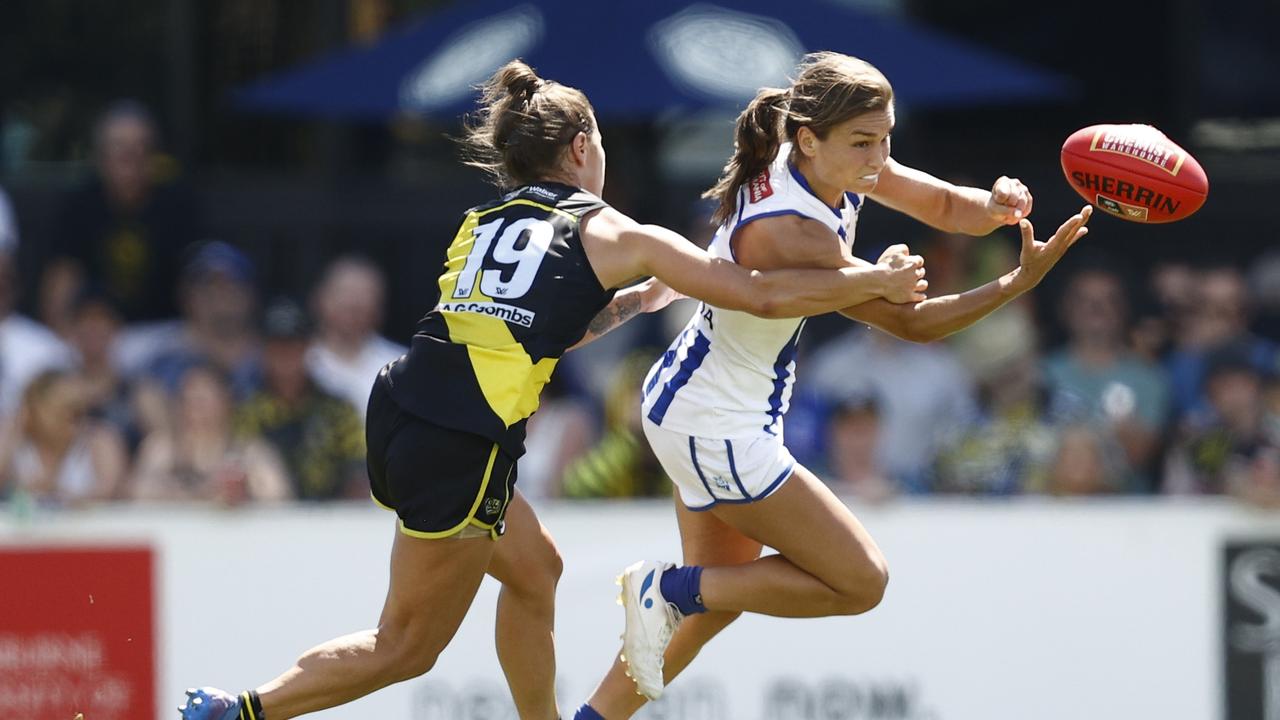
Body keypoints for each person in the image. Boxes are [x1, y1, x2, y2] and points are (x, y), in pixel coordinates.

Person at [177, 59, 928, 720]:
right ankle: (240, 711)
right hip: (460, 444)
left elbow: (535, 326)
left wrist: (635, 303)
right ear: (580, 149)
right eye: (599, 143)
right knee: (403, 649)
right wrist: (878, 280)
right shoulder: (615, 231)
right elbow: (756, 294)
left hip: (408, 406)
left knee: (538, 572)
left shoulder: (485, 220)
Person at [574, 52, 1091, 717]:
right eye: (864, 142)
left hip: (697, 408)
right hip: (717, 427)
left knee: (712, 602)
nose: (879, 158)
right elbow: (917, 325)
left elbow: (933, 201)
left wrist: (992, 209)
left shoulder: (825, 161)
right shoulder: (792, 230)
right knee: (859, 580)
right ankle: (668, 587)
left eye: (886, 138)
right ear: (810, 139)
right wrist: (1016, 284)